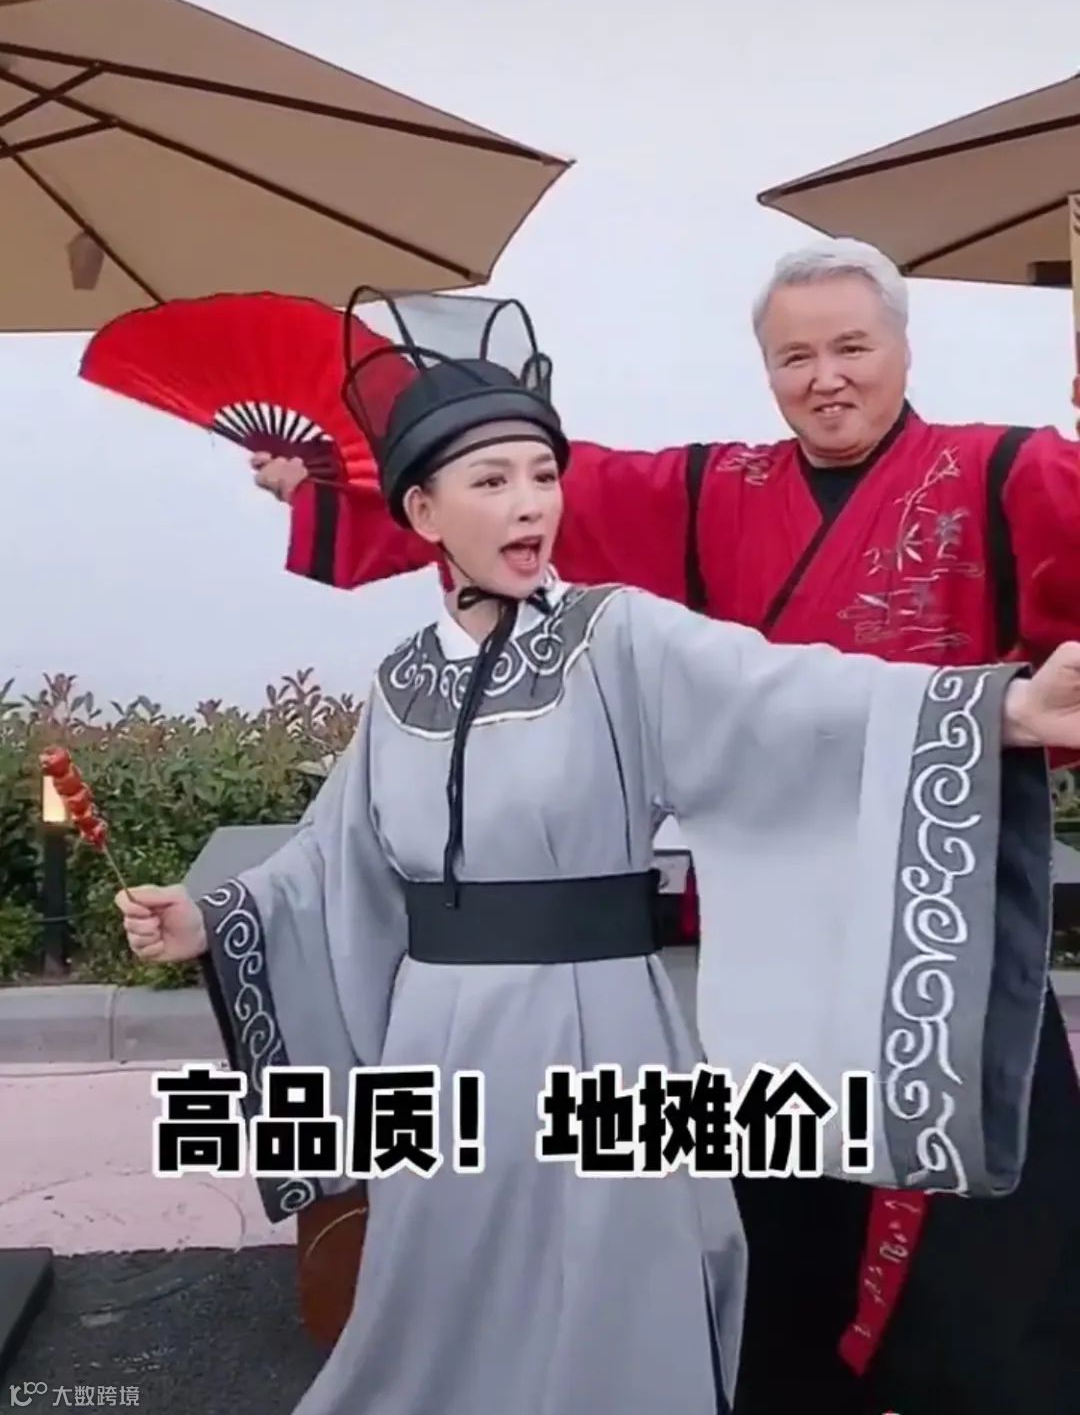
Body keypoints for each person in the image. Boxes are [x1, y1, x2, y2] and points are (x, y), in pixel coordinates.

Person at [123, 290, 1072, 1415]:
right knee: (444, 1287)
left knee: (618, 1293)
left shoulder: (619, 635)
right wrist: (211, 915)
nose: (530, 503)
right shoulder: (402, 682)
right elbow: (339, 855)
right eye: (491, 482)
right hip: (442, 1037)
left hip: (602, 1026)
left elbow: (787, 695)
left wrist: (1002, 706)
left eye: (543, 475)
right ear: (422, 511)